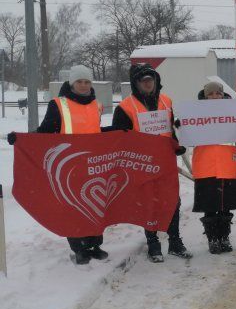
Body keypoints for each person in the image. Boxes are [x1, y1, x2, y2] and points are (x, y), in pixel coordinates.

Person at [113, 63, 192, 263]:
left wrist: (177, 146)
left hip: (165, 162)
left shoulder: (166, 101)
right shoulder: (125, 107)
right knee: (149, 203)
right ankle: (153, 243)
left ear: (156, 81)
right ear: (136, 83)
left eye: (151, 80)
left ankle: (175, 241)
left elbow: (170, 131)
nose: (148, 84)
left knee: (172, 201)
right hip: (142, 165)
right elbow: (119, 138)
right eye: (144, 81)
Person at [35, 65, 110, 264]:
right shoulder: (58, 105)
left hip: (93, 164)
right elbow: (45, 132)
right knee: (74, 208)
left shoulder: (97, 105)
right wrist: (23, 139)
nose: (84, 85)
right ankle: (79, 248)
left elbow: (96, 131)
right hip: (68, 166)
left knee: (94, 205)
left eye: (87, 82)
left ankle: (94, 244)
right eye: (80, 82)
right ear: (72, 83)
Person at [179, 82, 236, 254]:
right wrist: (183, 127)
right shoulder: (195, 114)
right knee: (209, 205)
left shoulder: (233, 112)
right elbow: (189, 139)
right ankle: (212, 239)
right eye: (211, 94)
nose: (214, 97)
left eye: (218, 93)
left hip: (227, 164)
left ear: (222, 95)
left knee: (225, 205)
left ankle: (224, 237)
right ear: (205, 96)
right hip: (205, 165)